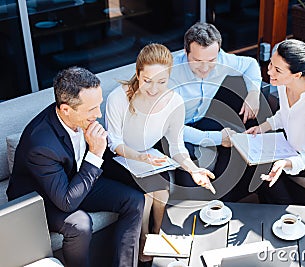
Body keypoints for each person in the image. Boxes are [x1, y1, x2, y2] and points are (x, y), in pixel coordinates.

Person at [6, 67, 145, 267]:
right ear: (66, 109)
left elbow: (100, 160)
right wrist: (95, 152)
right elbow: (67, 202)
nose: (98, 115)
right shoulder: (41, 145)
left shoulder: (80, 119)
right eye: (91, 110)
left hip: (75, 178)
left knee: (134, 199)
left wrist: (140, 168)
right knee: (80, 224)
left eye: (99, 106)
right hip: (41, 200)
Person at [103, 43, 215, 264]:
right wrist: (139, 157)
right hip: (119, 158)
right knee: (147, 195)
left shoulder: (175, 102)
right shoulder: (118, 97)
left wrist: (193, 170)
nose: (154, 89)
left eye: (161, 82)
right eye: (147, 81)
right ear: (138, 73)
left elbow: (176, 146)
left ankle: (156, 232)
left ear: (169, 77)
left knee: (162, 192)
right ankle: (145, 238)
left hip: (149, 156)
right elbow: (112, 141)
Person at [169, 22, 263, 201]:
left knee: (236, 145)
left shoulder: (223, 60)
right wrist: (218, 137)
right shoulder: (171, 74)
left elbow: (250, 64)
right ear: (185, 52)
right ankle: (191, 212)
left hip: (199, 119)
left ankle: (221, 203)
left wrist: (253, 93)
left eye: (211, 60)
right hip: (173, 129)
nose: (205, 68)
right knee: (188, 163)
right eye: (197, 60)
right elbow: (173, 130)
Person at [246, 39, 305, 204]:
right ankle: (267, 210)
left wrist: (284, 162)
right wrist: (261, 128)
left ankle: (284, 214)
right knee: (255, 157)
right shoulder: (284, 84)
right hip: (293, 146)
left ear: (297, 75)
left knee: (264, 165)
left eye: (277, 70)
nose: (269, 72)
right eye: (270, 64)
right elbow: (284, 115)